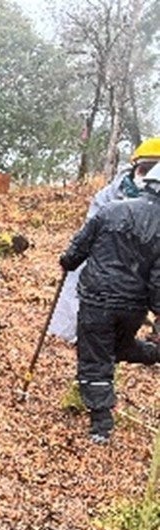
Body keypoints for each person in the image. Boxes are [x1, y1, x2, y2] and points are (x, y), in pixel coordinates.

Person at [59, 161, 160, 444]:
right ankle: (154, 354)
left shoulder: (112, 209)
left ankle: (101, 424)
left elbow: (80, 245)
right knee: (118, 348)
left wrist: (68, 261)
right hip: (133, 306)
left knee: (95, 358)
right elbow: (158, 279)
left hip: (97, 299)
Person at [49, 137, 160, 342]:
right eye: (145, 168)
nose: (147, 177)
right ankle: (75, 330)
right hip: (108, 274)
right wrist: (71, 259)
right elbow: (88, 237)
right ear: (134, 168)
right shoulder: (110, 198)